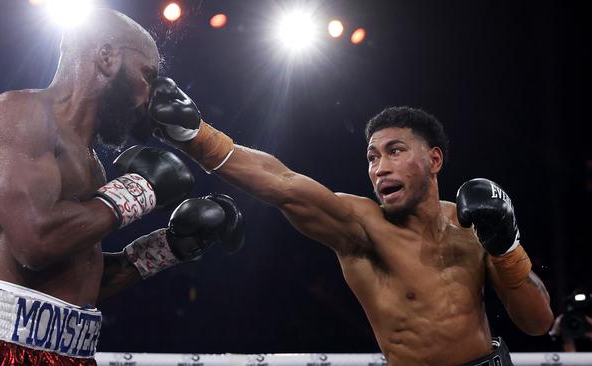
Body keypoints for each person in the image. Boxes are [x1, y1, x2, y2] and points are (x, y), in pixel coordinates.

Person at [145, 77, 554, 366]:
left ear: (434, 160)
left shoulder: (475, 224)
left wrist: (507, 245)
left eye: (395, 151)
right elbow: (283, 182)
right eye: (373, 157)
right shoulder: (362, 227)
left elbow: (537, 323)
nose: (379, 168)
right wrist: (194, 135)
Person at [0, 10, 244, 365]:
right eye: (148, 75)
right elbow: (35, 243)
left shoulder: (91, 166)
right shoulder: (20, 113)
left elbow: (77, 279)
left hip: (71, 350)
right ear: (107, 56)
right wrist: (141, 188)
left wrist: (169, 247)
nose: (151, 96)